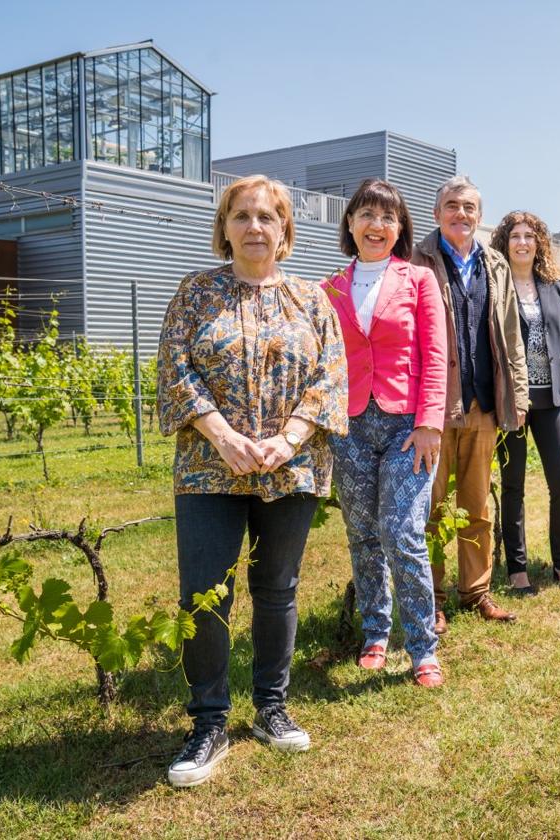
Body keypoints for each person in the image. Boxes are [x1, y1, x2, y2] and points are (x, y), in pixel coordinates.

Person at [157, 174, 348, 787]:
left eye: (267, 216)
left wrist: (288, 439)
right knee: (204, 594)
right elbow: (175, 368)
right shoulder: (195, 293)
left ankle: (271, 706)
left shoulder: (311, 301)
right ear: (225, 227)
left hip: (289, 469)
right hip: (210, 468)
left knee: (277, 587)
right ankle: (208, 722)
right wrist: (224, 437)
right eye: (242, 216)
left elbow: (330, 377)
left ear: (285, 229)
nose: (255, 227)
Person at [322, 179, 448, 688]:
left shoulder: (419, 280)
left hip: (406, 426)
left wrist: (429, 423)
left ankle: (422, 646)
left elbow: (436, 357)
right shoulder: (329, 288)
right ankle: (375, 633)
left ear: (401, 228)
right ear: (350, 223)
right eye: (367, 215)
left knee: (402, 532)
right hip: (348, 426)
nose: (377, 225)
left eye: (388, 217)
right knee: (362, 534)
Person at [411, 176, 528, 631]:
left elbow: (511, 334)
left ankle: (477, 591)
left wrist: (514, 395)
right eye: (453, 206)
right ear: (438, 212)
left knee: (476, 507)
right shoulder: (418, 258)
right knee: (431, 507)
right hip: (434, 408)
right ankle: (432, 597)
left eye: (470, 207)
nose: (462, 214)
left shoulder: (495, 263)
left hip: (482, 405)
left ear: (480, 215)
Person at [490, 211, 560, 594]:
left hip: (552, 401)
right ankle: (518, 570)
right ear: (505, 243)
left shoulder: (555, 287)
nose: (523, 242)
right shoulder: (495, 285)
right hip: (511, 402)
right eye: (515, 236)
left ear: (539, 243)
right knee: (513, 486)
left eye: (530, 236)